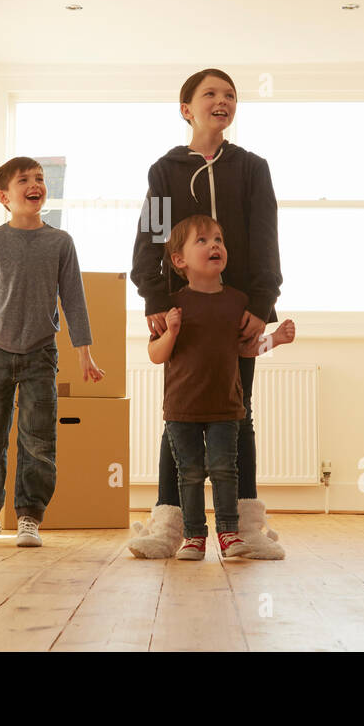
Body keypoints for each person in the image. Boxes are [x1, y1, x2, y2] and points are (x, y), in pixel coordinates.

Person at [129, 68, 287, 560]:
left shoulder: (252, 168)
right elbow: (151, 237)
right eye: (211, 94)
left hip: (239, 313)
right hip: (183, 310)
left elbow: (266, 239)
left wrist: (261, 306)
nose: (223, 101)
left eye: (230, 96)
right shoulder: (165, 170)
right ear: (187, 109)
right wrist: (156, 297)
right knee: (180, 414)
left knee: (239, 415)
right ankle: (170, 524)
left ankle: (245, 529)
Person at [0, 156, 104, 547]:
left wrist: (83, 352)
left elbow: (74, 299)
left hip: (40, 355)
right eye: (25, 180)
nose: (36, 184)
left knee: (37, 440)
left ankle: (29, 517)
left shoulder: (60, 242)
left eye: (39, 178)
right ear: (5, 196)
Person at [147, 214, 295, 560]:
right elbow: (156, 355)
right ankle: (194, 537)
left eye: (218, 240)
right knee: (191, 473)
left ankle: (229, 534)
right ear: (179, 260)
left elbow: (245, 350)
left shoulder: (237, 302)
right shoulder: (173, 305)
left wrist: (274, 339)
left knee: (225, 470)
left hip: (227, 409)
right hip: (182, 409)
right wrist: (170, 331)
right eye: (202, 241)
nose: (215, 245)